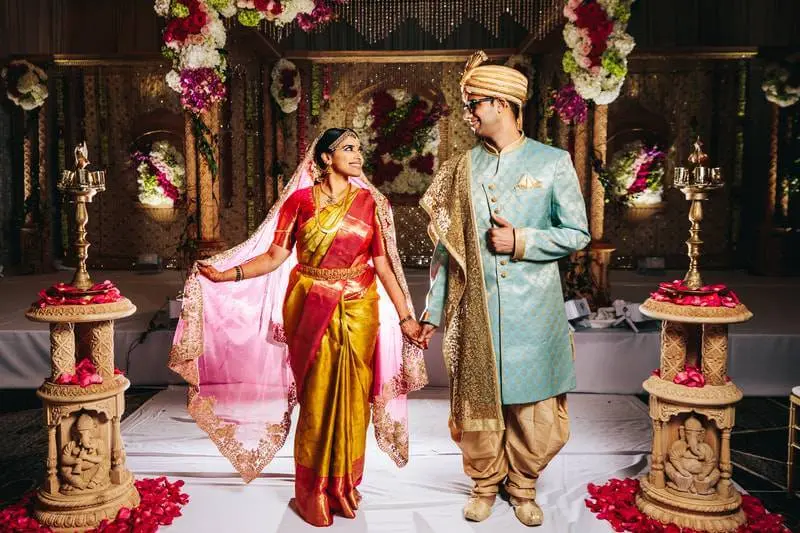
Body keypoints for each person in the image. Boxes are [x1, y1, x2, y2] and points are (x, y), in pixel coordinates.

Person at [169, 128, 428, 527]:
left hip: (360, 308)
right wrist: (227, 274)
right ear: (326, 157)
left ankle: (344, 483)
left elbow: (383, 266)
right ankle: (312, 490)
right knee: (318, 395)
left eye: (359, 148)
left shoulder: (371, 203)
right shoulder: (299, 202)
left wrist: (407, 317)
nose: (359, 155)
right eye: (349, 148)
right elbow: (274, 256)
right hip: (309, 305)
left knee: (354, 397)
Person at [417, 51, 591, 526]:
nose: (470, 113)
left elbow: (578, 234)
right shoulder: (459, 169)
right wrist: (432, 312)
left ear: (503, 103)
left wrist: (523, 240)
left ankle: (524, 483)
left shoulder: (552, 162)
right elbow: (445, 253)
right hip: (477, 309)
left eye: (476, 103)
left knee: (531, 401)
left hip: (534, 310)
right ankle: (485, 481)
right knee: (479, 399)